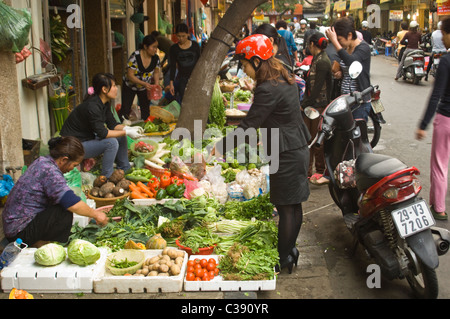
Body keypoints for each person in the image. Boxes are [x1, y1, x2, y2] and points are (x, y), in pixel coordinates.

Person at [213, 34, 311, 274]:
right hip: (295, 146)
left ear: (257, 61)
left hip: (286, 151)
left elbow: (248, 126)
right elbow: (278, 115)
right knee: (292, 205)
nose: (245, 70)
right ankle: (289, 251)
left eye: (245, 65)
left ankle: (283, 258)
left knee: (286, 206)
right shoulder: (281, 76)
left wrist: (218, 148)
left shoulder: (268, 87)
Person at [2, 136, 109, 248]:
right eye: (74, 165)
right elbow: (71, 202)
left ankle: (39, 241)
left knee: (60, 204)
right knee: (63, 211)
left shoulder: (42, 161)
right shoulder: (49, 171)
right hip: (18, 231)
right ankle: (38, 244)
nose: (73, 168)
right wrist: (96, 214)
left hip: (13, 224)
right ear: (64, 160)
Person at [61, 73, 143, 179]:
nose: (116, 89)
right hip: (73, 147)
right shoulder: (93, 106)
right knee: (111, 143)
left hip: (85, 140)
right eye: (113, 86)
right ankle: (107, 177)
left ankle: (124, 168)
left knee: (120, 136)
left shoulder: (104, 103)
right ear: (104, 89)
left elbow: (113, 125)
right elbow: (103, 133)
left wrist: (128, 129)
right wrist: (126, 132)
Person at [415, 17, 450, 221]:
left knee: (440, 164)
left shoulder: (446, 60)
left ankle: (439, 207)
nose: (442, 39)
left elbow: (436, 95)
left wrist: (423, 124)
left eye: (444, 34)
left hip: (446, 118)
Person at [326, 17, 372, 121]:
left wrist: (334, 41)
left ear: (350, 35)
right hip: (346, 101)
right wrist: (341, 73)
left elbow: (352, 63)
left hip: (359, 103)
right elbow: (350, 70)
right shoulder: (347, 48)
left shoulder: (363, 48)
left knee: (356, 135)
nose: (338, 43)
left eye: (339, 40)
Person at [301, 33, 332, 185]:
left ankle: (319, 171)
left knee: (316, 140)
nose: (308, 47)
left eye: (309, 44)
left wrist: (305, 103)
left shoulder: (323, 62)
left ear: (313, 44)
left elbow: (319, 87)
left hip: (318, 106)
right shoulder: (317, 59)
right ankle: (307, 171)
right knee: (308, 138)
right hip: (312, 105)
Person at [119, 35, 161, 121]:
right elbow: (130, 75)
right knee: (125, 109)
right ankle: (120, 128)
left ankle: (145, 128)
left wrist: (156, 84)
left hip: (144, 88)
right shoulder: (135, 57)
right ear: (145, 46)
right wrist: (144, 83)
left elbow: (156, 72)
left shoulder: (155, 58)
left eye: (156, 47)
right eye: (153, 47)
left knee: (145, 110)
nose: (155, 50)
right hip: (130, 86)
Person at [169, 23, 201, 104]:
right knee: (185, 100)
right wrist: (171, 83)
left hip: (196, 78)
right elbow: (172, 66)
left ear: (188, 34)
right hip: (182, 79)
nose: (181, 38)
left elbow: (201, 61)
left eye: (183, 36)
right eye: (178, 36)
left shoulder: (195, 45)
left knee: (196, 100)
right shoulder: (174, 49)